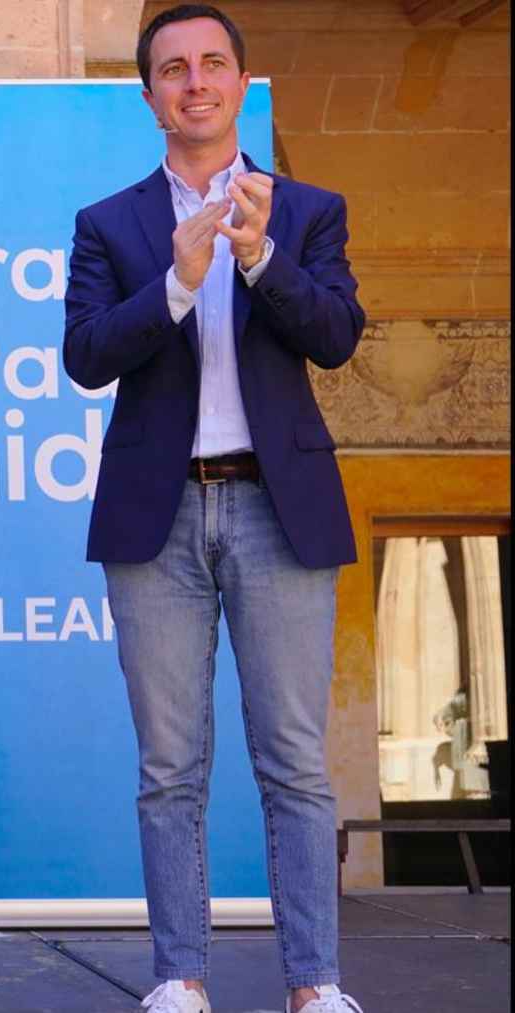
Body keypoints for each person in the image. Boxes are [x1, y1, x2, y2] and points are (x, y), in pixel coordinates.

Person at [60, 5, 366, 1012]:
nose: (195, 81)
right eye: (173, 69)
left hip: (278, 510)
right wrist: (181, 283)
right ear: (150, 95)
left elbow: (335, 337)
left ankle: (314, 982)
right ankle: (178, 975)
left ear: (241, 84)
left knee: (295, 764)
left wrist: (261, 259)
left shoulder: (307, 209)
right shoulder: (111, 224)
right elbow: (88, 354)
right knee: (169, 765)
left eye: (213, 65)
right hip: (159, 519)